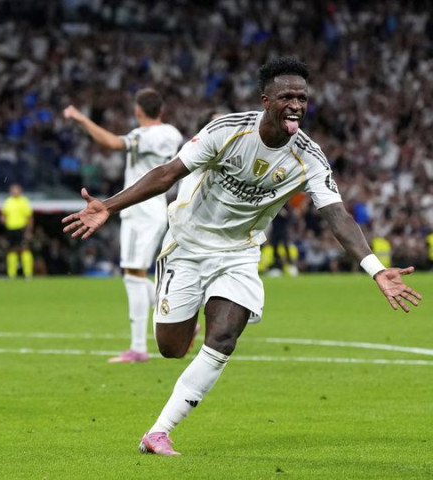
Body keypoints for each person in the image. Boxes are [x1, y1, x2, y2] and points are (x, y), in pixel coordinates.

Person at [62, 57, 422, 455]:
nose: (296, 104)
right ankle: (187, 323)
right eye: (287, 96)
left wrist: (375, 270)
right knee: (171, 348)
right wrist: (109, 206)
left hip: (239, 252)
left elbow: (337, 215)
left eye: (302, 98)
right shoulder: (227, 131)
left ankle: (159, 431)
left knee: (223, 339)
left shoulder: (309, 157)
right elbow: (167, 174)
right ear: (266, 100)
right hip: (187, 245)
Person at [64, 88, 184, 363]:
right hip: (158, 207)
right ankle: (177, 317)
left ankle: (139, 348)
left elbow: (112, 143)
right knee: (136, 273)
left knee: (133, 275)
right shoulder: (173, 134)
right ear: (161, 110)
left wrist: (82, 120)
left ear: (138, 111)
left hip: (138, 210)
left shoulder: (143, 135)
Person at [0, 183, 34, 279]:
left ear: (20, 191)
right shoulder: (8, 201)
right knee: (11, 250)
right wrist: (2, 218)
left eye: (17, 190)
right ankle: (12, 274)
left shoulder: (24, 201)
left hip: (21, 229)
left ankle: (28, 274)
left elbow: (29, 217)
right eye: (13, 190)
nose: (15, 191)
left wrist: (28, 231)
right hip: (10, 229)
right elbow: (3, 214)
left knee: (25, 249)